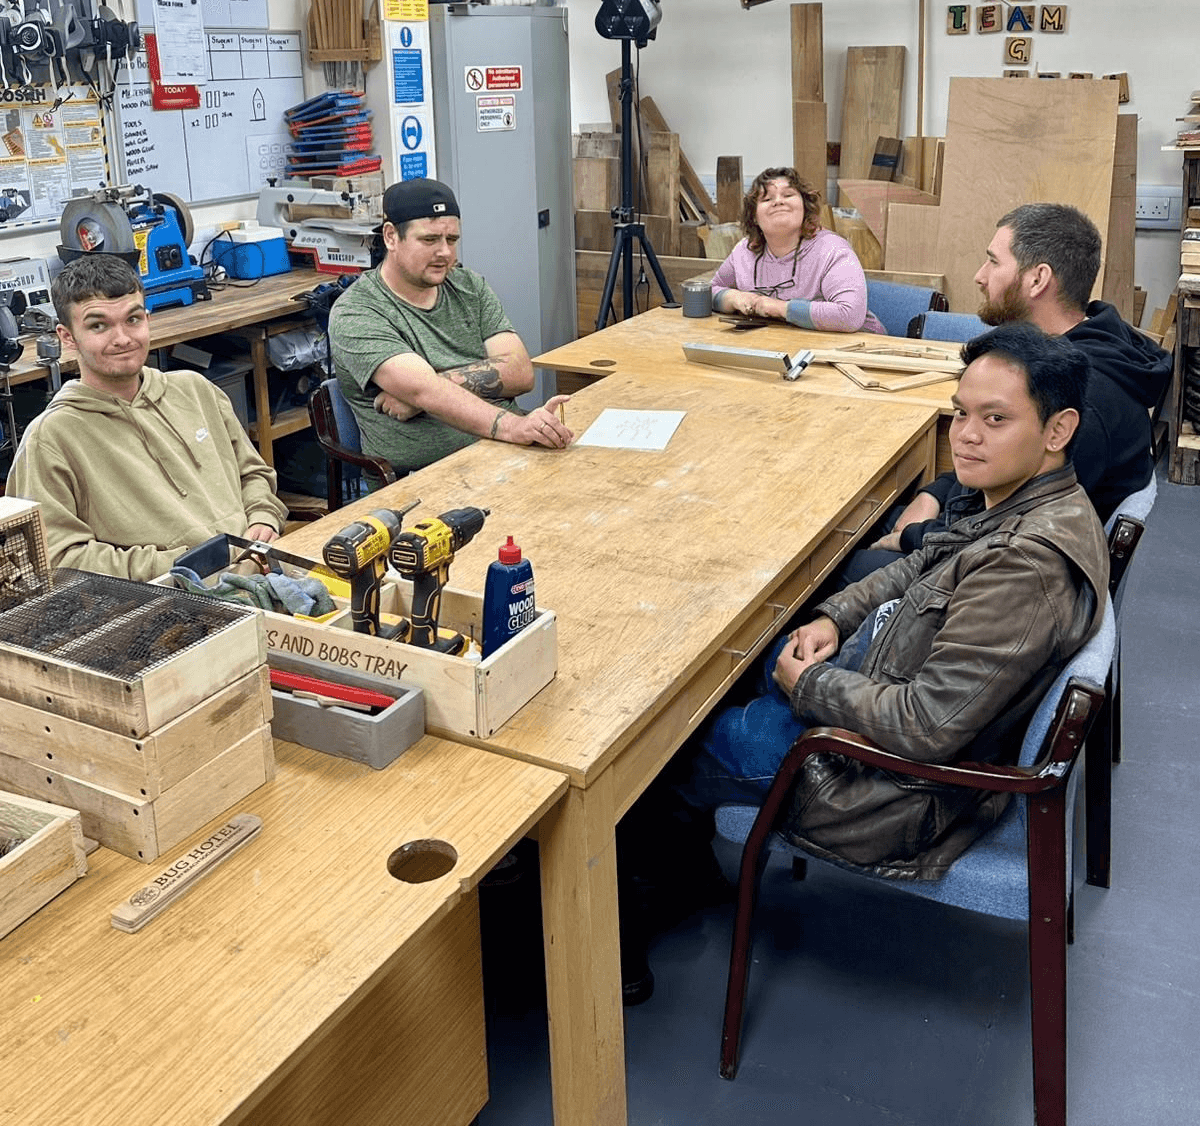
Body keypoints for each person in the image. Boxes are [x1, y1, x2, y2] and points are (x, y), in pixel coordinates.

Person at [618, 324, 1108, 999]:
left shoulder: (1025, 568)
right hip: (873, 682)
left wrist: (812, 684)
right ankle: (689, 864)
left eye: (995, 419)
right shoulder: (1019, 501)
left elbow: (929, 727)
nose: (966, 434)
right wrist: (832, 617)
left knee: (659, 741)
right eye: (962, 413)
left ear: (1059, 429)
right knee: (720, 666)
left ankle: (628, 925)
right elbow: (917, 566)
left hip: (879, 783)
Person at [867, 202, 1172, 569]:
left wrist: (914, 535)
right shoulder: (1060, 353)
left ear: (1037, 279)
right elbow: (1001, 470)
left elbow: (1005, 540)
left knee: (830, 577)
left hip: (995, 573)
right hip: (968, 525)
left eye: (994, 262)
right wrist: (935, 492)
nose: (980, 276)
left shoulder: (1080, 397)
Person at [7, 255, 286, 580]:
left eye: (133, 319)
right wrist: (183, 566)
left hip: (257, 580)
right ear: (67, 337)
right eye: (99, 325)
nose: (122, 338)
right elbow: (58, 560)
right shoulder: (51, 438)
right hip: (165, 606)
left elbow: (253, 474)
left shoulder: (195, 390)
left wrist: (263, 518)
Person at [329, 177, 573, 474]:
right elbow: (421, 391)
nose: (445, 252)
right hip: (422, 479)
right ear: (391, 237)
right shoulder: (357, 312)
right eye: (429, 240)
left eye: (452, 240)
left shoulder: (469, 286)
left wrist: (437, 387)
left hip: (504, 454)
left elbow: (521, 371)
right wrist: (513, 427)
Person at [710, 166, 884, 332]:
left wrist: (782, 308)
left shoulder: (832, 250)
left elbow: (850, 316)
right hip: (784, 344)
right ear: (754, 216)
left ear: (805, 208)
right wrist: (732, 298)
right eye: (767, 199)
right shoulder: (744, 251)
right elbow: (707, 292)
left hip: (855, 348)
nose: (778, 201)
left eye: (788, 194)